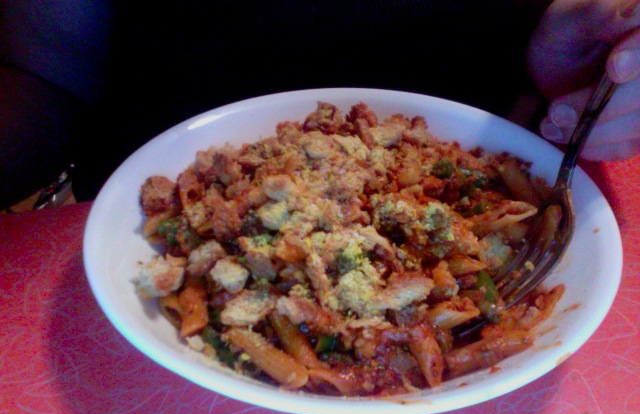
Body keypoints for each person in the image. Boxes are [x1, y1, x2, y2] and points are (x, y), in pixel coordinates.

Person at [1, 0, 639, 209]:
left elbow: (586, 29)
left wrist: (574, 81)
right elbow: (45, 79)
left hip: (495, 194)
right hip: (138, 235)